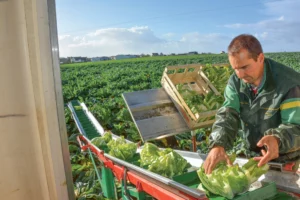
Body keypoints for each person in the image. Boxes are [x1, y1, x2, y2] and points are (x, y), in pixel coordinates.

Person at [203, 34, 300, 174]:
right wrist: (218, 144)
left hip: (285, 159)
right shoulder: (236, 82)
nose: (240, 75)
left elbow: (296, 126)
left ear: (260, 58)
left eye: (244, 67)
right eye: (235, 68)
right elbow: (228, 114)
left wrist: (277, 140)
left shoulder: (288, 84)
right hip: (253, 156)